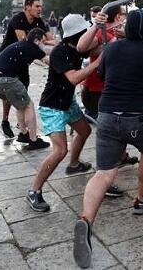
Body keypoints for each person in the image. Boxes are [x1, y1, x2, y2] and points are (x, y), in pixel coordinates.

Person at [73, 7, 143, 267]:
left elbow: (101, 74)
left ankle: (86, 220)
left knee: (104, 172)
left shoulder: (112, 49)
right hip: (138, 117)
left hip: (106, 115)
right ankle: (142, 198)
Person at [26, 14, 97, 212]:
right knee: (59, 151)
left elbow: (96, 45)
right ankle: (34, 190)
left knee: (84, 131)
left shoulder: (77, 49)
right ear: (78, 35)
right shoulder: (61, 52)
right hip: (52, 107)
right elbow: (74, 78)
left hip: (67, 103)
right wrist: (98, 63)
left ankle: (73, 164)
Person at [76, 2, 138, 198]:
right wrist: (96, 25)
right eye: (122, 14)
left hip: (107, 92)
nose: (125, 17)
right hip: (96, 92)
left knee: (113, 133)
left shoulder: (119, 35)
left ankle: (119, 158)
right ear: (116, 17)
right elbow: (83, 48)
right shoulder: (104, 35)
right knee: (107, 136)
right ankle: (103, 180)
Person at [0, 0, 57, 138]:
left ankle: (22, 123)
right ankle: (5, 120)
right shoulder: (17, 19)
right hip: (8, 60)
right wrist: (44, 43)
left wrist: (45, 41)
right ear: (27, 7)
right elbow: (24, 41)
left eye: (40, 6)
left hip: (23, 60)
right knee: (10, 92)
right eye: (37, 6)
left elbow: (51, 39)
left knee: (23, 90)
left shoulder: (39, 21)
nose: (40, 9)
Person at [0, 28, 50, 150]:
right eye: (43, 41)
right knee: (28, 105)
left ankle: (23, 134)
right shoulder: (32, 47)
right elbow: (48, 61)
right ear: (36, 41)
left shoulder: (21, 45)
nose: (43, 44)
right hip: (5, 79)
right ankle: (33, 140)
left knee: (20, 104)